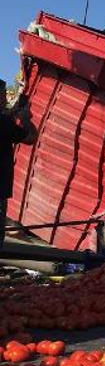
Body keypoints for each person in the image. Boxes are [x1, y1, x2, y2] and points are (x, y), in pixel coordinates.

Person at [1, 78, 37, 251]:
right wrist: (26, 120)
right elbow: (30, 138)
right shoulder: (4, 123)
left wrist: (14, 112)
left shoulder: (5, 120)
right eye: (2, 96)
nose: (6, 100)